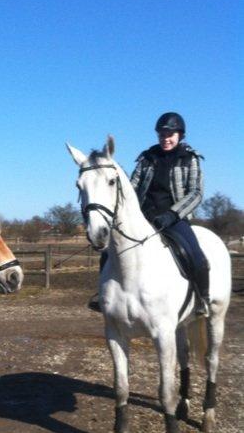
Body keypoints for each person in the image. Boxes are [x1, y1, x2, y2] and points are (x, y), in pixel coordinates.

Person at [89, 112, 209, 316]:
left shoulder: (190, 158)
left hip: (174, 218)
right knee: (108, 252)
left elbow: (196, 193)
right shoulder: (147, 158)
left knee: (197, 256)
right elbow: (132, 188)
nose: (166, 138)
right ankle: (104, 295)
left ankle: (202, 299)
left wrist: (172, 214)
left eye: (170, 134)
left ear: (180, 135)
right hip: (143, 217)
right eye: (162, 134)